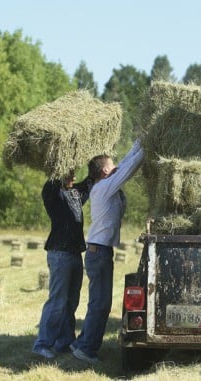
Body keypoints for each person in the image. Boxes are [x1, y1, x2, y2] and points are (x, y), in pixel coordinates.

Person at [71, 139, 144, 364]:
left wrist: (139, 144)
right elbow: (128, 169)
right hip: (99, 252)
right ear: (104, 171)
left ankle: (82, 342)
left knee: (97, 302)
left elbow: (122, 166)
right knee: (101, 304)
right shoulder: (104, 186)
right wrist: (146, 149)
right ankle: (86, 349)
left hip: (99, 251)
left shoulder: (104, 183)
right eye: (111, 166)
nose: (115, 169)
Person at [32, 170, 91, 359]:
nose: (73, 178)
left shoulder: (75, 193)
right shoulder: (52, 193)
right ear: (59, 174)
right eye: (69, 174)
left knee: (70, 302)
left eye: (74, 174)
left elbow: (90, 181)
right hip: (59, 253)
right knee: (57, 301)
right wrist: (58, 165)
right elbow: (52, 183)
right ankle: (42, 344)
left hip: (74, 254)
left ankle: (64, 342)